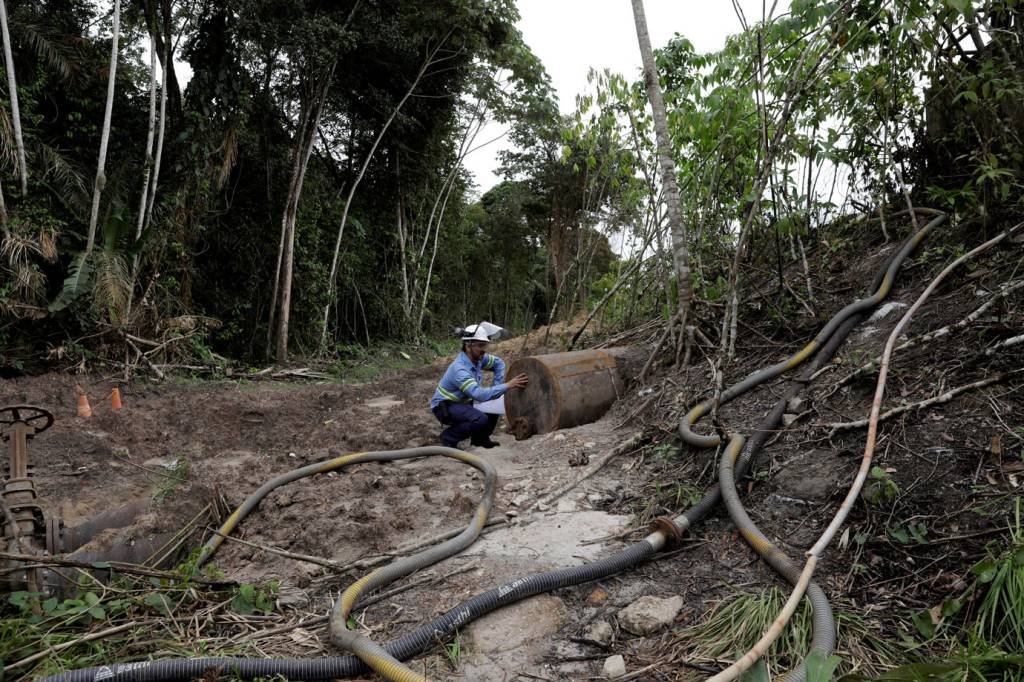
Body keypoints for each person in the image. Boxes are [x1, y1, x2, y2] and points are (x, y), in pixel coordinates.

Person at [430, 323, 528, 449]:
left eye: (485, 345)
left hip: (463, 402)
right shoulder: (460, 369)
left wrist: (496, 386)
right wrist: (507, 385)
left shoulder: (478, 358)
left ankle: (480, 439)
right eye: (480, 345)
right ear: (468, 345)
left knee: (494, 405)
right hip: (445, 406)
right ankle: (448, 437)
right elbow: (479, 395)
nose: (484, 349)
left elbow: (499, 364)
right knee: (479, 419)